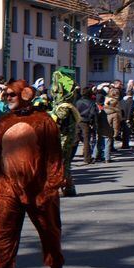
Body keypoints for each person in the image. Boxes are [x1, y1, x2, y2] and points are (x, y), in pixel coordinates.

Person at [0, 80, 66, 268]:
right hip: (8, 187)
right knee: (3, 233)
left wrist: (52, 184)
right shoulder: (3, 122)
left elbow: (54, 155)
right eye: (5, 95)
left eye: (12, 94)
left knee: (49, 230)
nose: (7, 98)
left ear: (25, 94)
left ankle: (56, 264)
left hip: (39, 188)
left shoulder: (44, 121)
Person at [48, 66, 82, 196]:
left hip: (63, 138)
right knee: (64, 163)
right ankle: (68, 187)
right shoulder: (66, 106)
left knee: (60, 162)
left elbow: (57, 120)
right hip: (66, 137)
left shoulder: (64, 107)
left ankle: (59, 186)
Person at [75, 87, 98, 164]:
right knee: (86, 141)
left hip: (77, 121)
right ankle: (87, 158)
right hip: (86, 122)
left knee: (75, 139)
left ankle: (70, 156)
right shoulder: (91, 103)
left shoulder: (78, 101)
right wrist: (93, 123)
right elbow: (93, 114)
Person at [97, 98, 121, 163]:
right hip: (109, 130)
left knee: (100, 143)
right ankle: (107, 158)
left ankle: (97, 156)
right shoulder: (115, 114)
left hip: (100, 129)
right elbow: (115, 125)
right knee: (107, 144)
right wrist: (116, 133)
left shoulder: (102, 111)